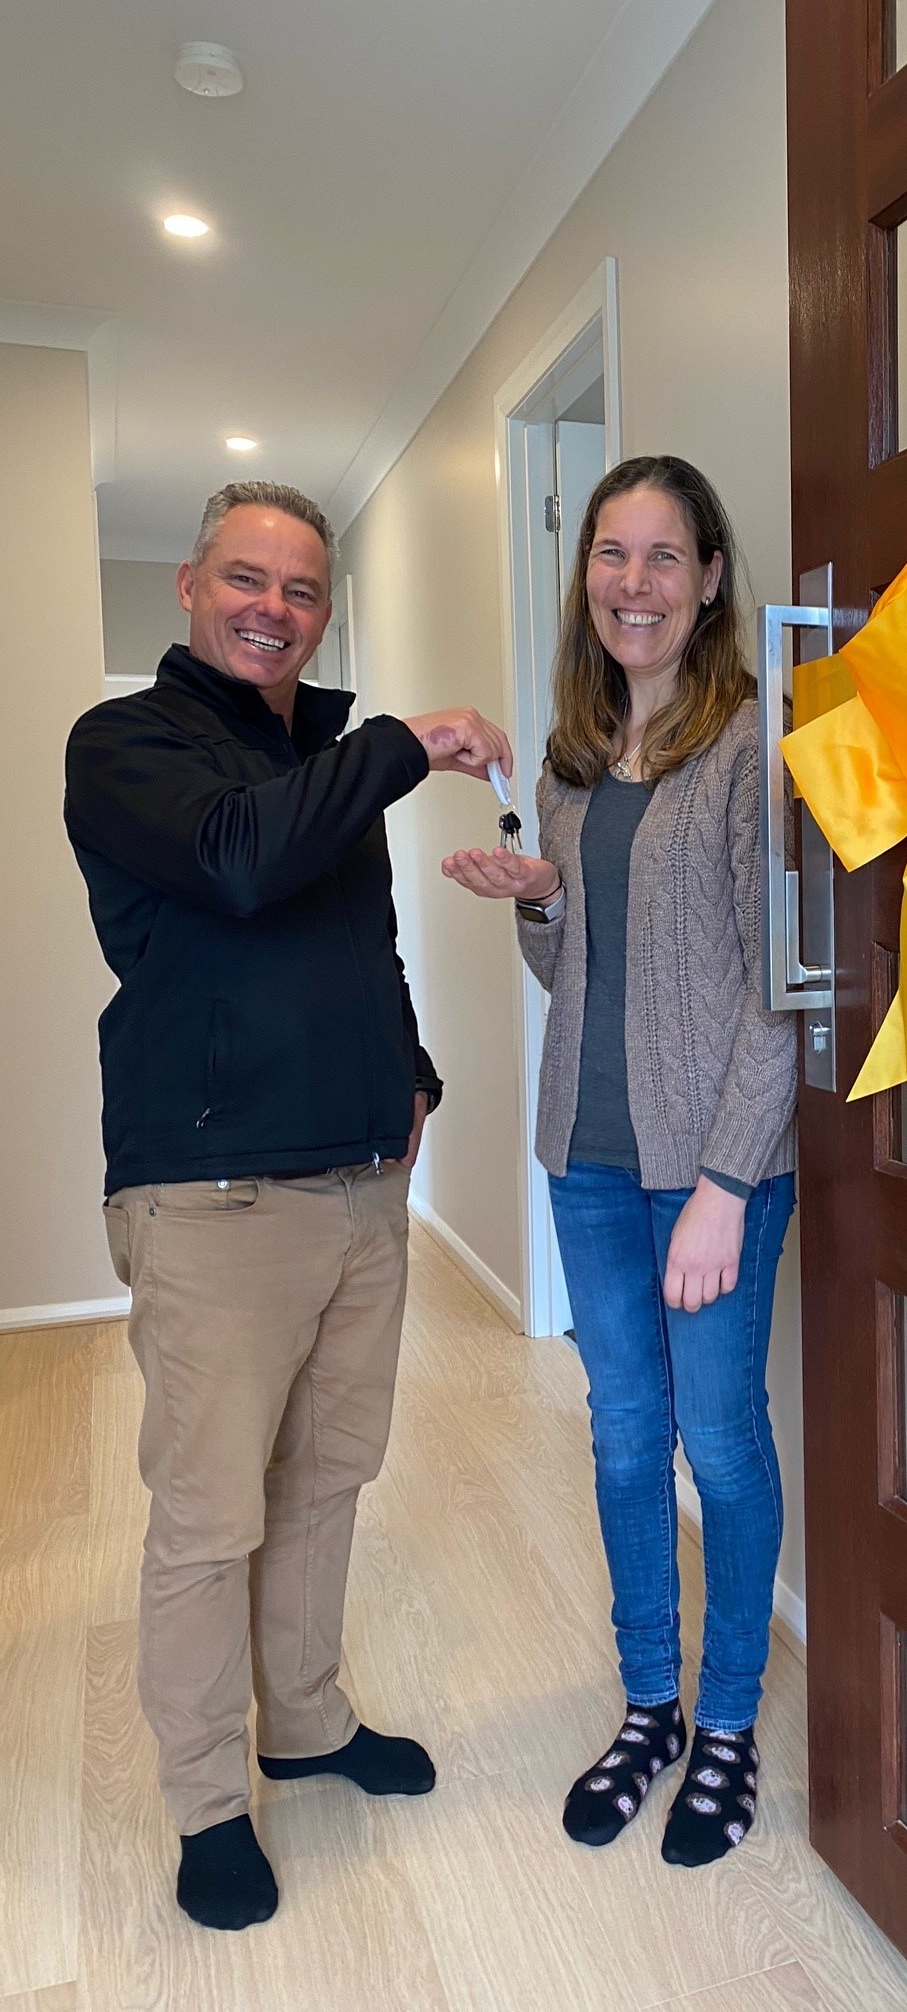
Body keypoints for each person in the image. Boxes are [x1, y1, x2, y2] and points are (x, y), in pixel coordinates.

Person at [64, 480, 512, 1931]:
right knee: (210, 1518)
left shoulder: (317, 756)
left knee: (326, 1479)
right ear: (191, 586)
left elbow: (359, 940)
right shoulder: (126, 745)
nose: (274, 609)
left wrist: (411, 1071)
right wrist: (402, 744)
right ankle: (207, 1803)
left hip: (359, 1183)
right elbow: (238, 862)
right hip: (214, 1196)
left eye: (303, 590)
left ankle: (306, 1724)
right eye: (248, 579)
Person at [442, 456, 797, 1868]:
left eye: (662, 556)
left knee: (721, 1439)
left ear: (709, 579)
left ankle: (728, 1723)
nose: (632, 584)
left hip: (709, 1170)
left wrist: (725, 1186)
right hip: (584, 1160)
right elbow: (575, 978)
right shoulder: (571, 763)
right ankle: (650, 1702)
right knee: (624, 1434)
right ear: (583, 573)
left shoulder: (754, 749)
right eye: (610, 554)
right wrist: (541, 900)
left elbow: (784, 990)